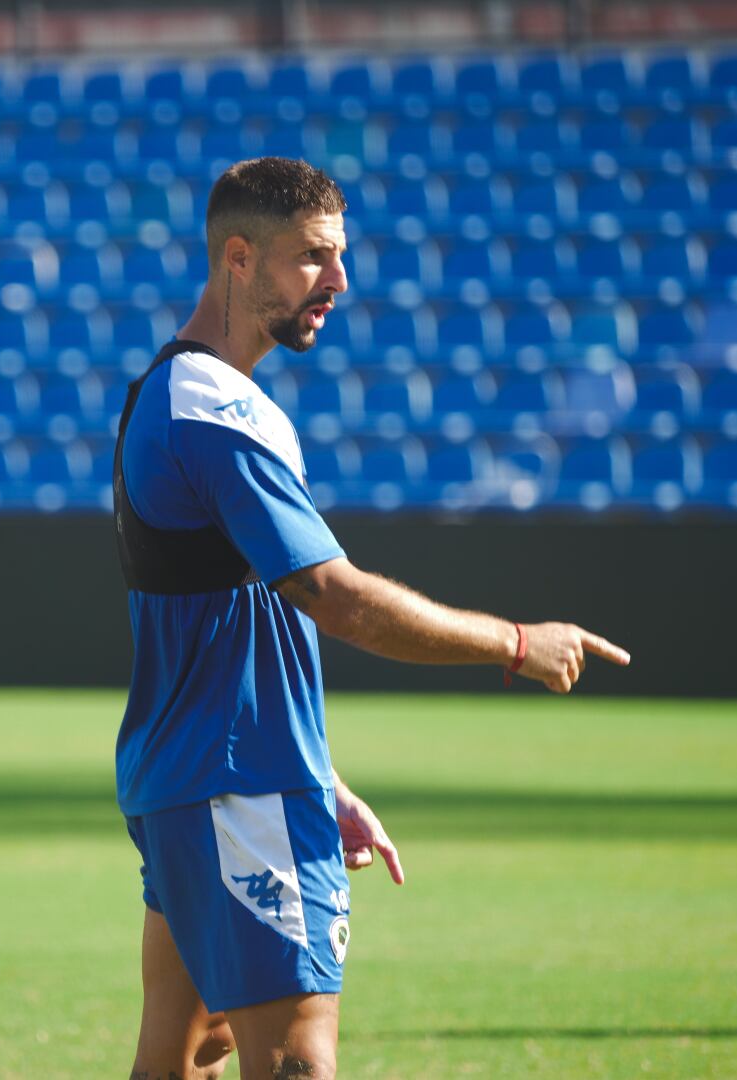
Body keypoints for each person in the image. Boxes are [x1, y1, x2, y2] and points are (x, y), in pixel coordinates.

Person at [114, 157, 631, 1079]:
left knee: (188, 1051)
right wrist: (516, 644)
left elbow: (237, 624)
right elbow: (332, 596)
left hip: (200, 780)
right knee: (296, 1065)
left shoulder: (170, 391)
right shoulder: (213, 406)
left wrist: (324, 775)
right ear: (238, 258)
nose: (340, 282)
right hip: (240, 791)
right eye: (313, 257)